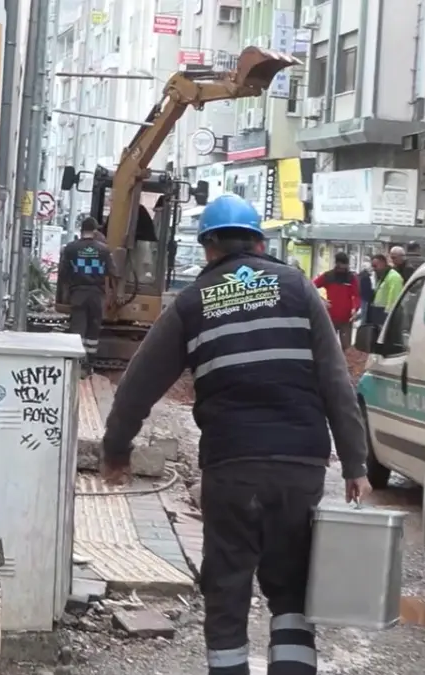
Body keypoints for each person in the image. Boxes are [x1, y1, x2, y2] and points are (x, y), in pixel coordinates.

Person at [100, 193, 371, 675]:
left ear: (208, 248)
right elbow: (335, 381)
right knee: (290, 586)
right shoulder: (298, 288)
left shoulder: (192, 302)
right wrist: (355, 463)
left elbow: (137, 386)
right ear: (259, 244)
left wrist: (116, 450)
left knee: (227, 583)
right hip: (300, 462)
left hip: (232, 466)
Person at [58, 217, 113, 375]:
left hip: (78, 294)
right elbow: (112, 271)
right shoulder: (103, 250)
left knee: (77, 330)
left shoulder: (71, 248)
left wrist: (68, 289)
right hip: (96, 295)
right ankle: (89, 365)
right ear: (95, 231)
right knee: (93, 331)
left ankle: (77, 365)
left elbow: (63, 273)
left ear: (81, 230)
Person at [313, 252, 361, 351]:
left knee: (346, 346)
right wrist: (321, 300)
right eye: (340, 265)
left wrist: (355, 309)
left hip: (346, 318)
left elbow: (356, 295)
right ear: (336, 263)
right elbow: (311, 287)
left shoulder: (351, 278)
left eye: (344, 265)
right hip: (330, 318)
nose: (342, 268)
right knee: (329, 346)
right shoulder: (328, 276)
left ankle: (346, 365)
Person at [369, 253, 404, 327]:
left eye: (375, 266)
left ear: (383, 264)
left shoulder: (394, 277)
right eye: (372, 266)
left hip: (386, 314)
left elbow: (394, 298)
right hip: (378, 312)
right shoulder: (383, 276)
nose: (374, 269)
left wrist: (388, 315)